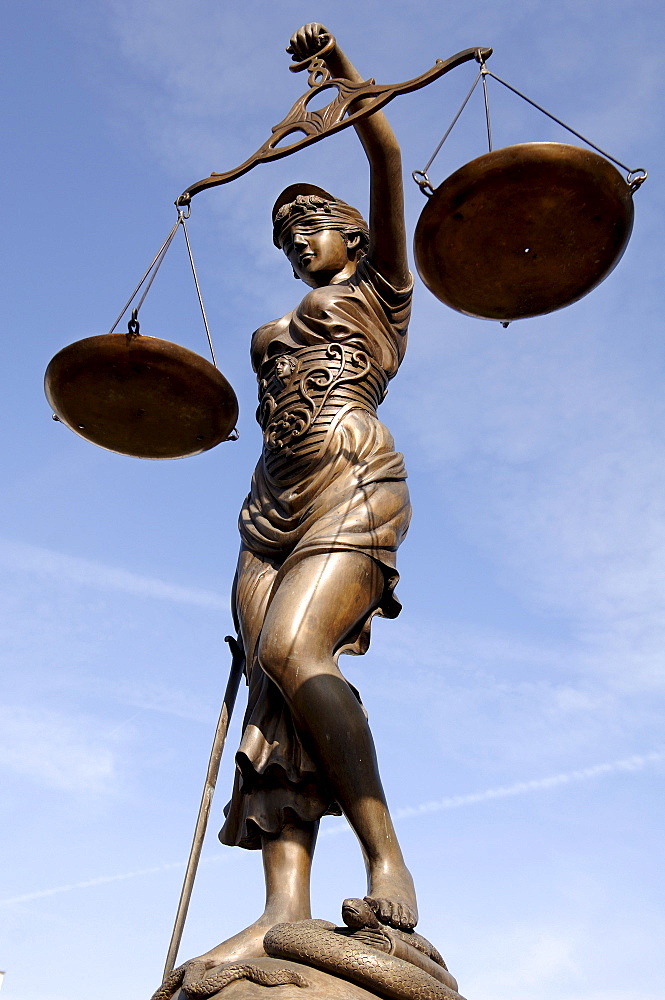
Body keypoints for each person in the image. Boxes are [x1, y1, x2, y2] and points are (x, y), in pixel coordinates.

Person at [188, 23, 417, 973]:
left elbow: (386, 149)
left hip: (352, 482)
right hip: (265, 507)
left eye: (307, 229)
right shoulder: (265, 333)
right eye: (282, 238)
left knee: (294, 646)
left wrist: (345, 74)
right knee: (270, 691)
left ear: (354, 236)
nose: (293, 246)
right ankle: (283, 911)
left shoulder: (383, 292)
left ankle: (386, 857)